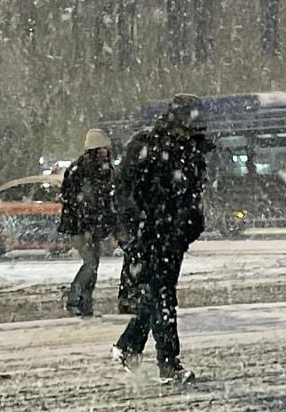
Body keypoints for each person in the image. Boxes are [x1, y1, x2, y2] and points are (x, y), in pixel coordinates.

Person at [112, 94, 213, 384]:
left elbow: (190, 199)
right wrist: (135, 227)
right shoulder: (150, 146)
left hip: (169, 236)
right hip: (151, 235)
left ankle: (129, 346)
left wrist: (188, 228)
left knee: (157, 297)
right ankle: (168, 362)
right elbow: (124, 190)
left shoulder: (183, 150)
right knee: (163, 298)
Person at [58, 128, 116, 317]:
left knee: (93, 264)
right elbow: (81, 200)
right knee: (91, 263)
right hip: (83, 226)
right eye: (103, 149)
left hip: (87, 224)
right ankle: (75, 299)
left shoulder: (87, 169)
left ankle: (85, 303)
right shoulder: (86, 170)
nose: (106, 152)